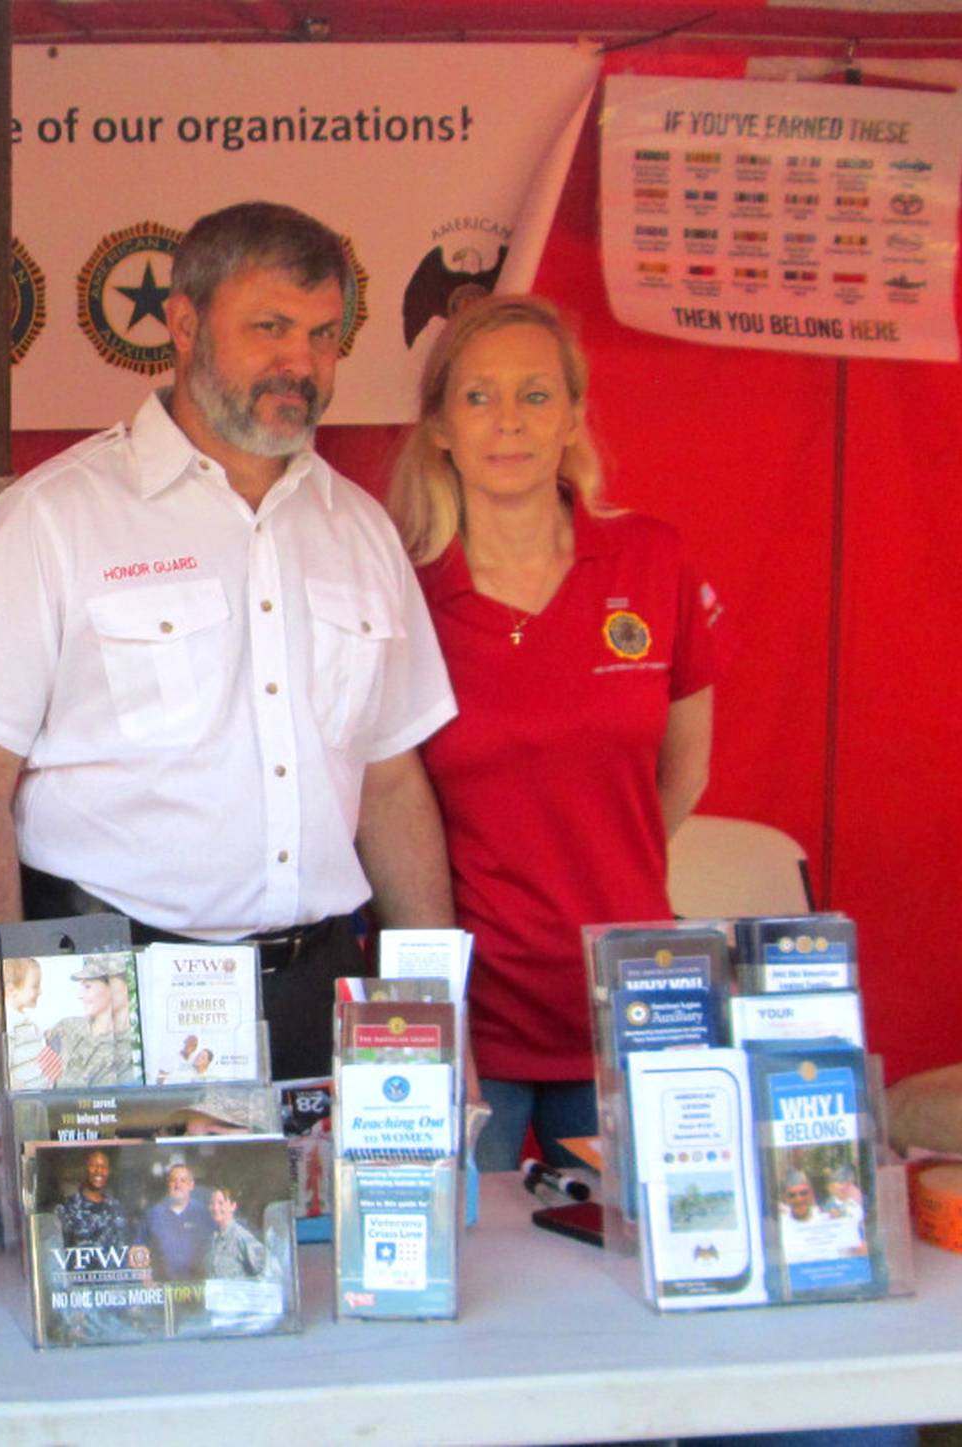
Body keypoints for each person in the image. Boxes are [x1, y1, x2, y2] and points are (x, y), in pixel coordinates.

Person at [0, 200, 457, 1081]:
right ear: (182, 323)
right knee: (127, 1226)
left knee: (330, 1223)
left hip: (313, 987)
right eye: (269, 328)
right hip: (105, 985)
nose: (302, 364)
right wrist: (36, 1038)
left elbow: (392, 784)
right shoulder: (57, 517)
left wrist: (434, 1011)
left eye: (323, 335)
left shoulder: (360, 529)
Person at [388, 294, 720, 1170]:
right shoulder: (401, 592)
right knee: (472, 1283)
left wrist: (599, 865)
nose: (509, 422)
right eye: (479, 396)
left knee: (633, 1281)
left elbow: (681, 773)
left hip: (628, 1007)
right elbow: (382, 809)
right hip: (467, 1020)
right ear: (440, 428)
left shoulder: (653, 560)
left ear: (574, 416)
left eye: (536, 395)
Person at [44, 955, 133, 1087]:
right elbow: (36, 1081)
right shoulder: (65, 1029)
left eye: (87, 987)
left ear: (116, 987)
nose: (80, 995)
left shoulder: (130, 1048)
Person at [142, 1162, 215, 1279]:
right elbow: (139, 1249)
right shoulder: (153, 1214)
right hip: (163, 1287)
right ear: (168, 1184)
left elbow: (215, 1249)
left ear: (191, 1185)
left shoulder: (203, 1214)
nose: (178, 1185)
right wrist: (146, 1279)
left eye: (183, 1181)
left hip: (197, 1287)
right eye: (173, 1180)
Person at [55, 1148, 130, 1251]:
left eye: (104, 1167)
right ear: (85, 1169)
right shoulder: (67, 1208)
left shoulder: (116, 1208)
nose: (99, 1171)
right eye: (93, 1166)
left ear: (108, 1171)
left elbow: (124, 1247)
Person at [0, 955, 55, 1091]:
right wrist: (22, 1091)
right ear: (12, 990)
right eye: (35, 986)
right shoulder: (10, 1025)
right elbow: (5, 1068)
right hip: (27, 1100)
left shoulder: (28, 1023)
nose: (40, 991)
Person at [202, 1183, 268, 1279]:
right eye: (212, 1203)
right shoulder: (212, 1239)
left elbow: (268, 1270)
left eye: (221, 1203)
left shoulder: (241, 1236)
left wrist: (245, 1290)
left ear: (233, 1206)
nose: (215, 1208)